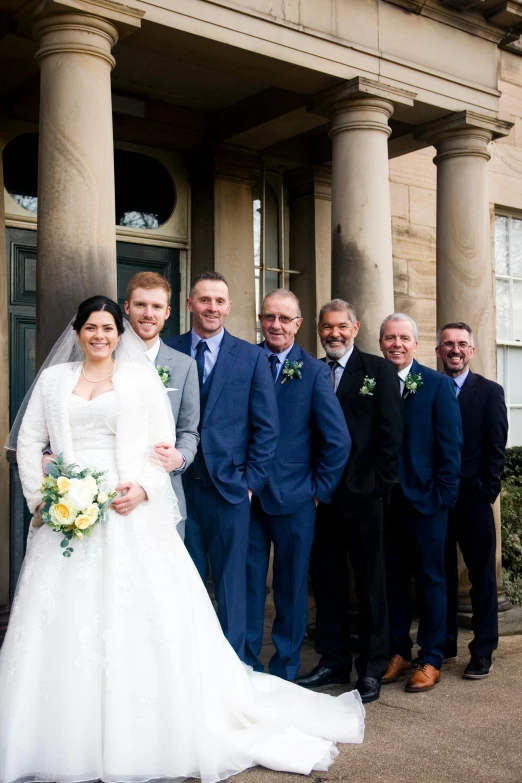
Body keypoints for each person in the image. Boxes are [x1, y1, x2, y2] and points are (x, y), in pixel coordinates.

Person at [0, 295, 365, 783]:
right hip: (67, 514)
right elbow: (28, 440)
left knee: (140, 619)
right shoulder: (53, 381)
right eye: (91, 327)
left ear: (120, 331)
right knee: (60, 619)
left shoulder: (140, 379)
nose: (100, 336)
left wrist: (145, 488)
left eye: (108, 328)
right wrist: (42, 498)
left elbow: (165, 442)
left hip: (126, 510)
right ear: (78, 330)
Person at [167, 272, 279, 660]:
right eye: (204, 300)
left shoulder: (251, 356)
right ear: (189, 304)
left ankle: (235, 668)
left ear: (229, 307)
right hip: (177, 488)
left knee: (233, 585)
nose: (212, 307)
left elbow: (267, 427)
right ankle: (190, 667)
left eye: (219, 301)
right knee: (184, 580)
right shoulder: (169, 350)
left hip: (229, 490)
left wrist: (250, 483)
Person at [297, 299, 403, 704]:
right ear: (319, 330)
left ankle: (372, 667)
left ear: (355, 328)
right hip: (320, 500)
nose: (334, 334)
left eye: (341, 326)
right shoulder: (309, 370)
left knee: (371, 586)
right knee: (326, 583)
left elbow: (391, 436)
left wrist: (378, 487)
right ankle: (334, 660)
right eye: (327, 327)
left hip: (364, 498)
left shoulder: (377, 371)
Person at [245, 290, 351, 682]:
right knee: (248, 586)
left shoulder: (313, 371)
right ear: (260, 318)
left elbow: (338, 441)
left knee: (290, 590)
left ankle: (285, 669)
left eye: (284, 319)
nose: (276, 325)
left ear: (298, 324)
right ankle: (246, 665)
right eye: (269, 316)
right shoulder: (245, 360)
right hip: (248, 498)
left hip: (296, 500)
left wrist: (318, 492)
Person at [379, 313, 462, 693]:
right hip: (385, 501)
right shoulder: (373, 382)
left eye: (403, 338)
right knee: (392, 580)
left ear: (415, 344)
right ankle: (398, 650)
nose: (396, 343)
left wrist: (442, 498)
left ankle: (431, 656)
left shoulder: (436, 384)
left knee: (431, 580)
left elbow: (451, 447)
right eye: (390, 337)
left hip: (427, 501)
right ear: (381, 342)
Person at [436, 322, 508, 679]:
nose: (455, 350)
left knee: (481, 578)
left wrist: (486, 492)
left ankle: (482, 651)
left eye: (462, 344)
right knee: (440, 573)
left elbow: (497, 450)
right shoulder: (429, 389)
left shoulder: (490, 392)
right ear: (438, 351)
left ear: (472, 351)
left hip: (474, 500)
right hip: (436, 500)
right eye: (448, 344)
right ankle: (444, 643)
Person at [124, 271, 199, 539]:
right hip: (116, 489)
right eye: (140, 305)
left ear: (167, 312)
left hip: (164, 493)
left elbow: (189, 430)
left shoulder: (184, 366)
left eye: (156, 306)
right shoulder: (105, 358)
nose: (148, 314)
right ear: (127, 307)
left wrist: (180, 458)